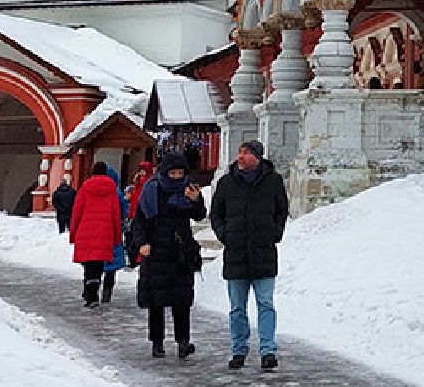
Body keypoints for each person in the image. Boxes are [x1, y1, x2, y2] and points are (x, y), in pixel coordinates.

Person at [210, 139, 288, 371]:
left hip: (264, 253)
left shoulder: (273, 181)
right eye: (240, 152)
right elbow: (216, 213)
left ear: (257, 157)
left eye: (245, 153)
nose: (240, 157)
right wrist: (225, 235)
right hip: (236, 254)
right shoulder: (226, 183)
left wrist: (275, 232)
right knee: (237, 308)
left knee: (266, 304)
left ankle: (268, 351)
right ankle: (238, 350)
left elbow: (282, 209)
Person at [131, 153, 205, 359]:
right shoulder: (151, 190)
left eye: (180, 172)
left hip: (181, 253)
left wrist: (196, 200)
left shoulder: (188, 189)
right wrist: (142, 243)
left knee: (182, 300)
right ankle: (157, 342)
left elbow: (199, 215)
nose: (176, 176)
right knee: (157, 300)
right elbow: (139, 221)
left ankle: (183, 341)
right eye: (173, 172)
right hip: (155, 251)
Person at [69, 163, 124, 307]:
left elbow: (77, 212)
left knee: (89, 264)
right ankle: (94, 291)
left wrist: (73, 233)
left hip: (86, 230)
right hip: (105, 232)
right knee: (99, 264)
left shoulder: (84, 188)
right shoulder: (112, 190)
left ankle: (90, 293)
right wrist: (117, 237)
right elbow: (116, 215)